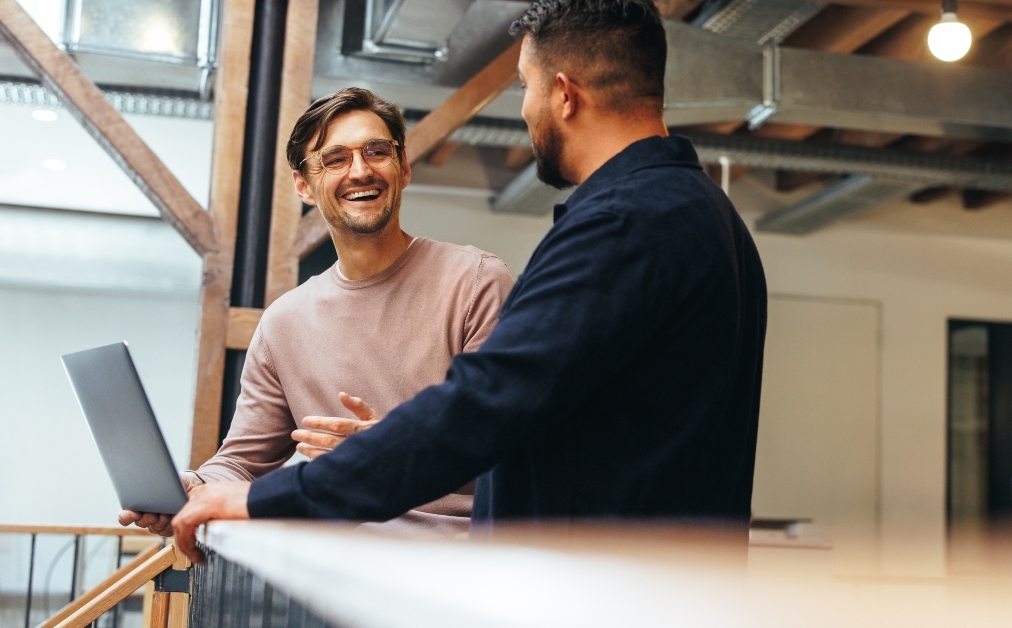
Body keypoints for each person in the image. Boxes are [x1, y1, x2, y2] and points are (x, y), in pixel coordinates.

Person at [173, 0, 767, 563]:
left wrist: (265, 498)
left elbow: (481, 410)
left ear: (563, 94)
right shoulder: (708, 216)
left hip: (603, 592)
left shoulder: (620, 226)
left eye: (526, 88)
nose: (526, 108)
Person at [120, 88, 514, 538]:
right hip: (329, 569)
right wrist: (198, 486)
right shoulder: (284, 322)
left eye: (377, 151)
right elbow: (242, 462)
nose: (361, 170)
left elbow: (508, 439)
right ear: (303, 185)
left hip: (455, 565)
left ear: (403, 167)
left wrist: (391, 447)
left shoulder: (477, 281)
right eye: (335, 159)